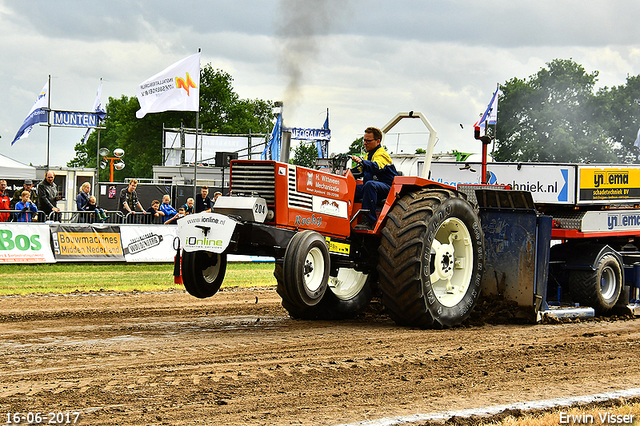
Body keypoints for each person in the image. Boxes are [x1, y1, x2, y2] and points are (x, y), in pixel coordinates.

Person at [350, 127, 398, 230]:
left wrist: (361, 162)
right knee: (349, 189)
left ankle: (368, 220)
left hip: (388, 188)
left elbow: (375, 166)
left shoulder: (382, 154)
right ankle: (346, 217)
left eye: (368, 141)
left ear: (378, 141)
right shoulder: (368, 155)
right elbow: (361, 170)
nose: (365, 143)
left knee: (370, 185)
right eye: (364, 140)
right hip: (371, 187)